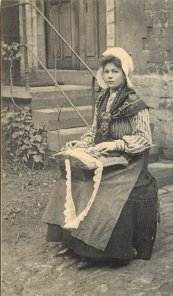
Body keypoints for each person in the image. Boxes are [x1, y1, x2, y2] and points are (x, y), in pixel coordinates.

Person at [42, 47, 158, 270]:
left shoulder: (135, 103)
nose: (110, 76)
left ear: (125, 74)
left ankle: (93, 252)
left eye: (115, 71)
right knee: (72, 180)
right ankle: (72, 242)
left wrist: (116, 144)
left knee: (103, 191)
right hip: (103, 154)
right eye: (107, 72)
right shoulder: (102, 99)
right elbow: (94, 130)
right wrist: (82, 143)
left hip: (128, 161)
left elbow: (144, 139)